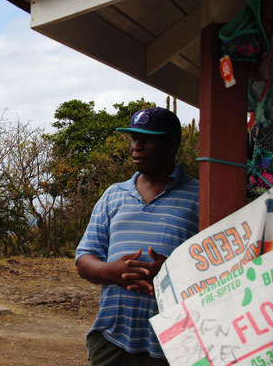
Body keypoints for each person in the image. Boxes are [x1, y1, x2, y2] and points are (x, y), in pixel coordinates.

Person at [75, 107, 199, 365]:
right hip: (113, 339)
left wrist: (171, 273)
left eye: (147, 139)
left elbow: (221, 265)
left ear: (172, 144)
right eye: (134, 139)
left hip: (177, 343)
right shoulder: (113, 195)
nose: (136, 147)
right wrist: (112, 272)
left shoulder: (200, 196)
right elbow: (84, 259)